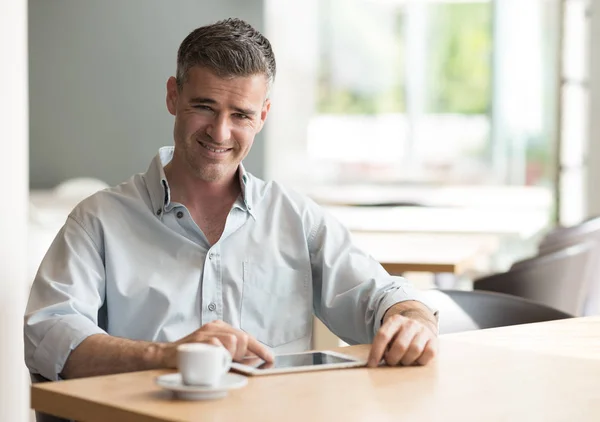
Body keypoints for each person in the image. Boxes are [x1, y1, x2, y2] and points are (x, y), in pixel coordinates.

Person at [24, 18, 438, 381]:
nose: (220, 133)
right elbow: (47, 332)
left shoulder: (296, 218)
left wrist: (413, 319)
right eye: (204, 107)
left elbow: (379, 296)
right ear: (173, 96)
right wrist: (165, 356)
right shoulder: (98, 220)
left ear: (262, 115)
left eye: (240, 114)